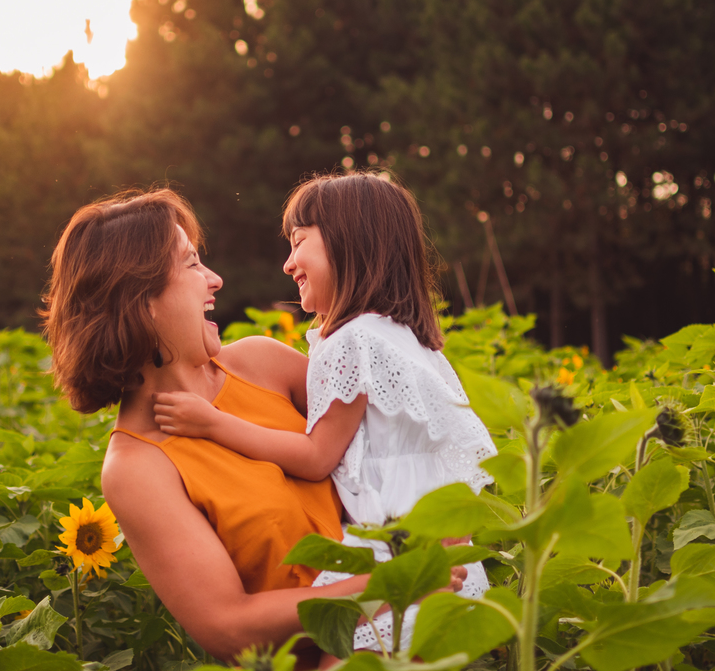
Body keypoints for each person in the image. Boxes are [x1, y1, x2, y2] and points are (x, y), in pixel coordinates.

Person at [40, 188, 465, 664]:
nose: (215, 279)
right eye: (191, 264)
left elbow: (403, 430)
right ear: (139, 302)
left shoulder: (263, 363)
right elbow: (229, 628)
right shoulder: (138, 465)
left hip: (429, 616)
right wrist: (391, 585)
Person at [155, 172, 497, 652]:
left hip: (396, 554)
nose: (288, 262)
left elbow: (317, 456)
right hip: (451, 557)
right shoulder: (408, 339)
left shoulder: (349, 342)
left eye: (299, 243)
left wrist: (213, 423)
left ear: (348, 245)